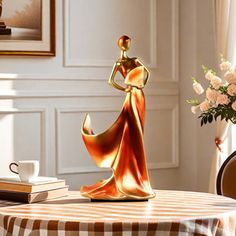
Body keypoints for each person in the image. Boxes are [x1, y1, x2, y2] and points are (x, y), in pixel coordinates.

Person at [80, 36, 155, 200]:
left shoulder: (134, 61)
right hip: (132, 95)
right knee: (128, 129)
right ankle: (127, 176)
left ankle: (135, 177)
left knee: (136, 132)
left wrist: (139, 85)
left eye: (127, 43)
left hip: (138, 96)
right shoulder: (120, 63)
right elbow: (111, 81)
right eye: (125, 44)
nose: (126, 46)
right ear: (123, 45)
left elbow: (147, 73)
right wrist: (126, 89)